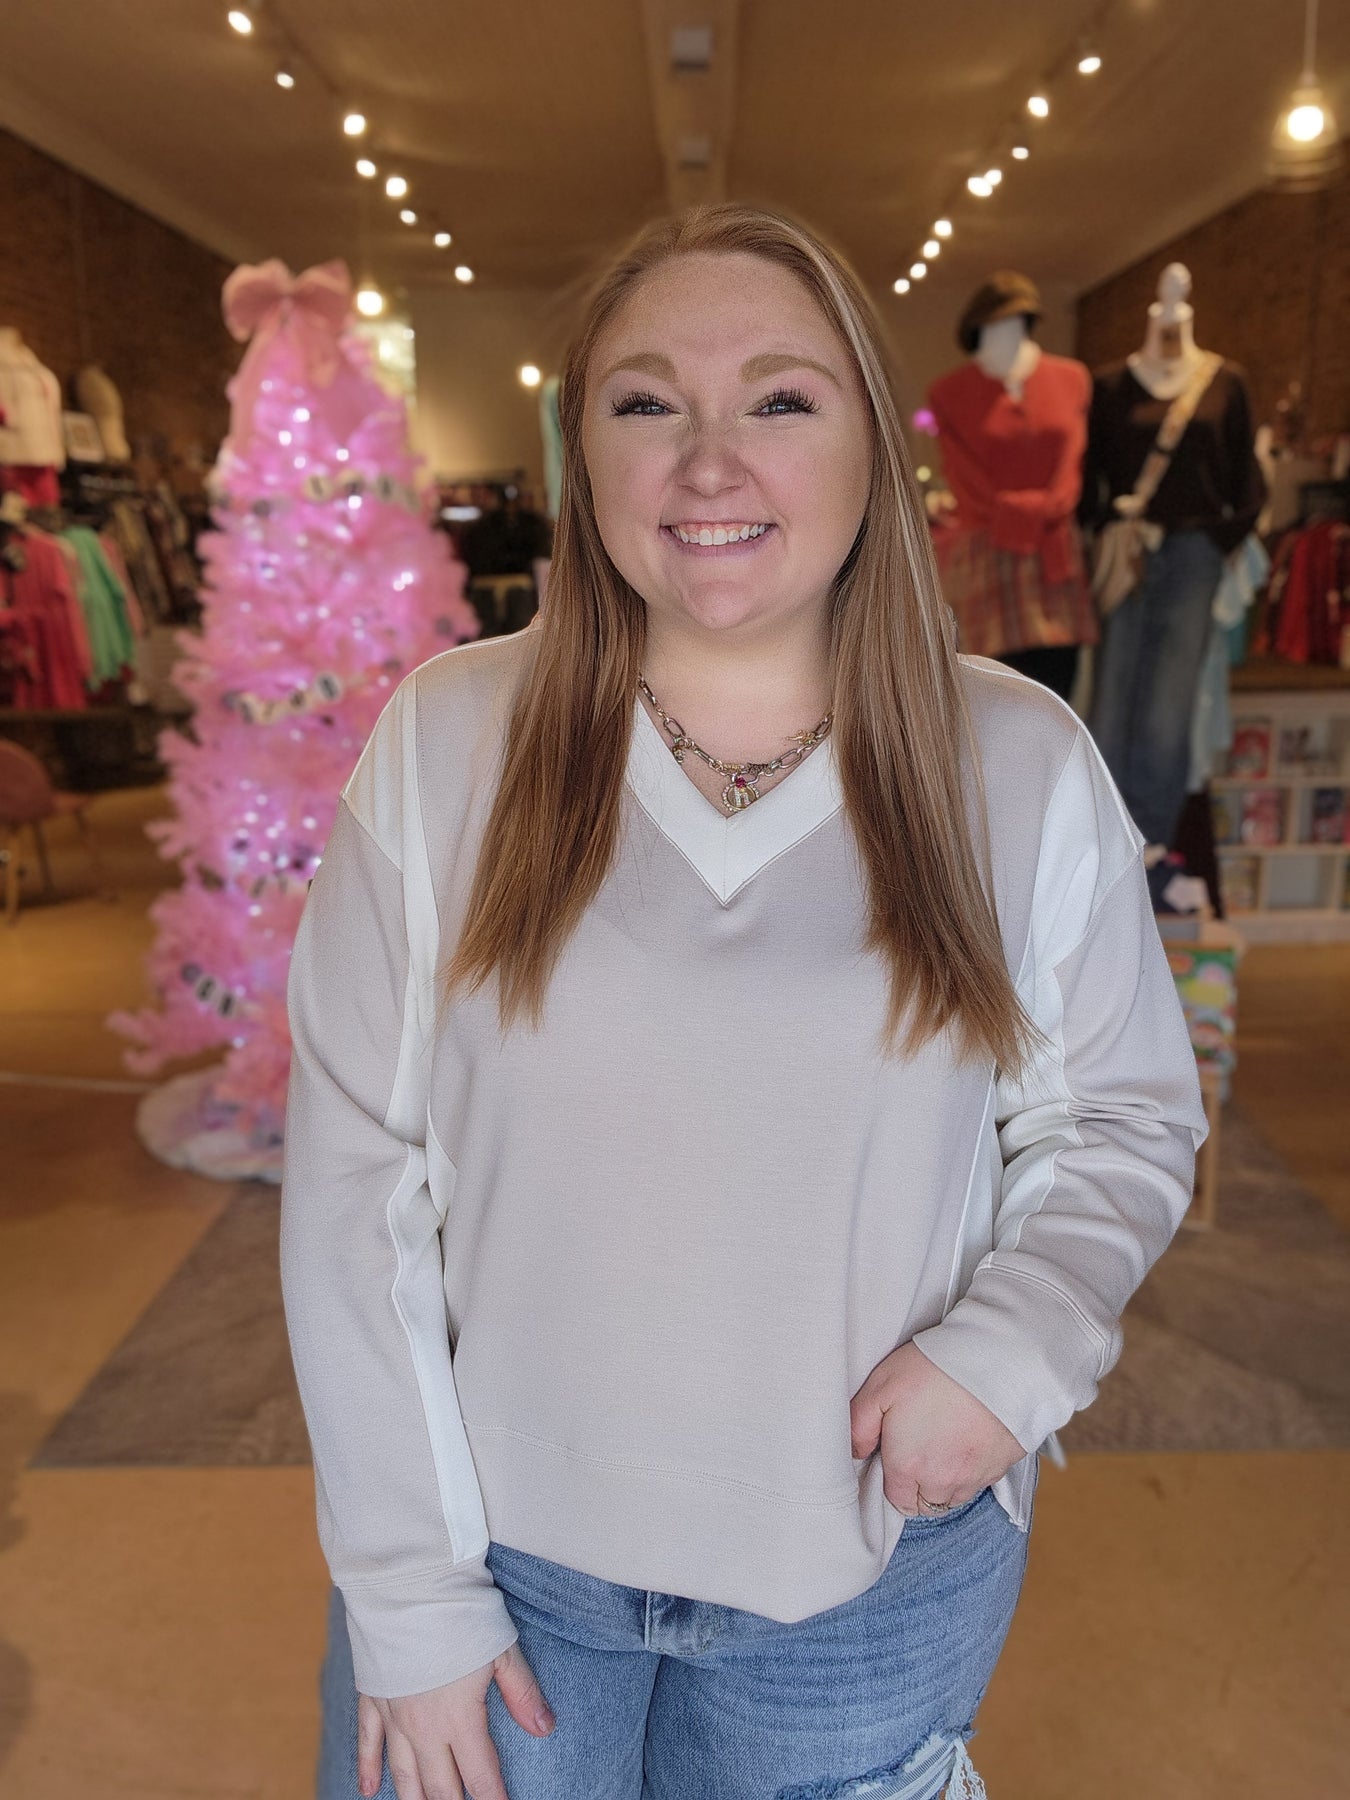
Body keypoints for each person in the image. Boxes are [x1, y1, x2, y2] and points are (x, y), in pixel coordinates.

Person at [281, 203, 1206, 1800]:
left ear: (873, 449)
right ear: (585, 454)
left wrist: (1012, 1353)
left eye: (779, 399)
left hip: (865, 1571)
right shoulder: (448, 744)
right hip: (500, 1569)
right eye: (647, 403)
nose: (709, 464)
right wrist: (407, 1593)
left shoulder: (1016, 760)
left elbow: (1119, 1119)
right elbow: (357, 1183)